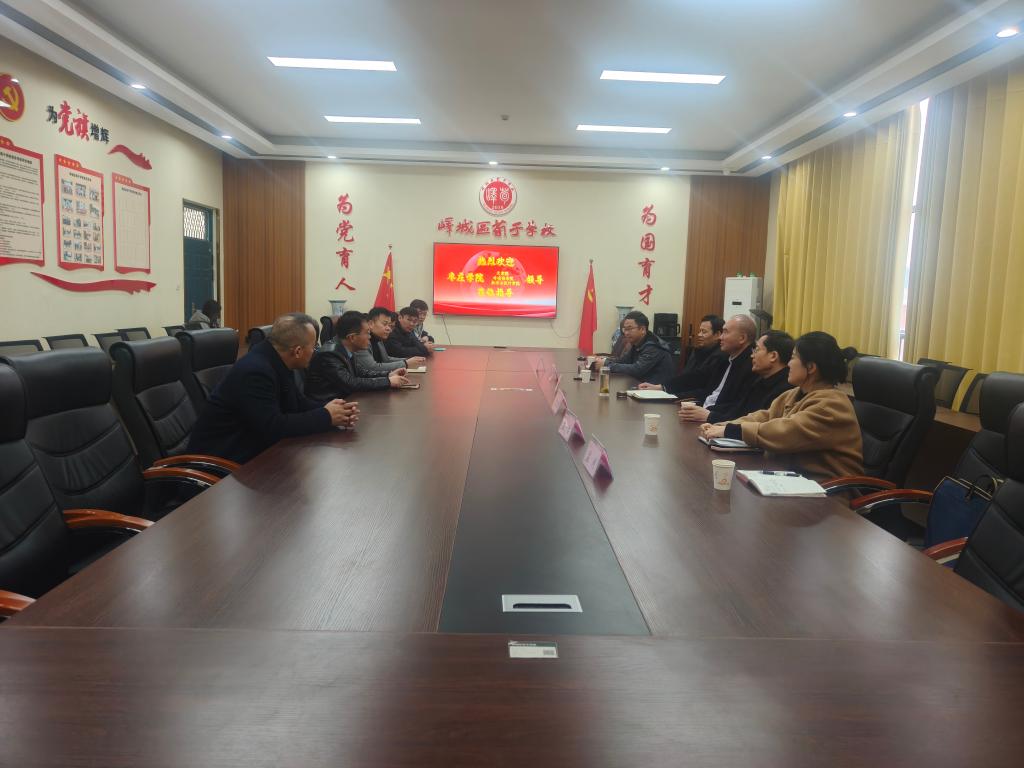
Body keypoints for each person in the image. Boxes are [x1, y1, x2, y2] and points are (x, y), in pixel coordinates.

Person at [187, 312, 358, 463]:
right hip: (220, 463)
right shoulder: (255, 371)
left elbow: (297, 403)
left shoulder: (277, 360)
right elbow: (274, 427)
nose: (315, 352)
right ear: (297, 351)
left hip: (251, 453)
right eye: (313, 347)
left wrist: (335, 410)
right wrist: (326, 416)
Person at [700, 331, 863, 478]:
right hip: (793, 478)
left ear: (811, 367)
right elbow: (763, 417)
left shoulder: (832, 405)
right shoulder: (794, 393)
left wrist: (730, 430)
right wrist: (722, 425)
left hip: (827, 490)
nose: (789, 364)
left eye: (793, 358)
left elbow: (785, 432)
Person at [686, 329, 795, 423]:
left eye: (757, 350)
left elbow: (757, 425)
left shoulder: (786, 390)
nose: (752, 355)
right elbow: (737, 410)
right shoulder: (759, 380)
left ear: (773, 356)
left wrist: (710, 416)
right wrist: (708, 411)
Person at [306, 311, 411, 400]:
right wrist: (388, 382)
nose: (370, 337)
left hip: (346, 400)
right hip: (327, 406)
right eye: (367, 333)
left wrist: (389, 375)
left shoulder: (347, 348)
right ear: (352, 337)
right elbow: (351, 383)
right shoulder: (329, 354)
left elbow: (362, 372)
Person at [677, 314, 758, 423]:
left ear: (742, 338)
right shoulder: (724, 359)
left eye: (725, 332)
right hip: (704, 413)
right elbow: (706, 390)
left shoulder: (751, 367)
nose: (720, 337)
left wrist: (709, 415)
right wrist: (672, 395)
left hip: (716, 422)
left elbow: (739, 410)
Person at [639, 313, 725, 397]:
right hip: (682, 396)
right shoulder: (698, 352)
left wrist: (671, 395)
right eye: (700, 331)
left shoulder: (720, 357)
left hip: (695, 401)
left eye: (704, 332)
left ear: (717, 335)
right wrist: (661, 387)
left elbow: (705, 389)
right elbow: (686, 378)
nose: (699, 335)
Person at [597, 311, 675, 385]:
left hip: (656, 391)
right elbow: (623, 361)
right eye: (625, 329)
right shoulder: (638, 343)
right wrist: (603, 361)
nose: (626, 333)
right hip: (641, 386)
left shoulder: (653, 346)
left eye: (630, 329)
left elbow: (637, 370)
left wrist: (606, 365)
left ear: (642, 329)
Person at [355, 306, 427, 375]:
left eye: (389, 325)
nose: (389, 329)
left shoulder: (378, 338)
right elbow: (372, 367)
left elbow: (386, 359)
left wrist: (409, 360)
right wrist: (406, 363)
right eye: (385, 324)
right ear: (371, 324)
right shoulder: (362, 340)